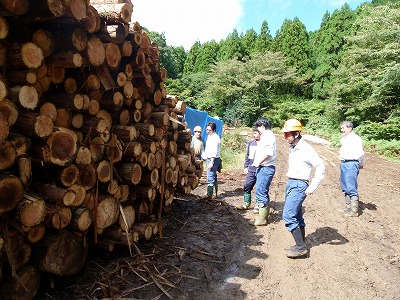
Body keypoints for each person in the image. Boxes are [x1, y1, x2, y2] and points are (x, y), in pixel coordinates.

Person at [282, 119, 325, 258]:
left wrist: (314, 184)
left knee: (288, 215)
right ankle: (301, 244)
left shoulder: (305, 148)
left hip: (299, 185)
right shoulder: (293, 146)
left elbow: (320, 165)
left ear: (297, 133)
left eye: (288, 133)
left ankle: (301, 247)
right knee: (297, 215)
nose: (285, 136)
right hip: (292, 183)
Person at [250, 117, 276, 226]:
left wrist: (258, 162)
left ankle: (262, 219)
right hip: (264, 167)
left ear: (262, 126)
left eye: (258, 127)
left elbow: (268, 152)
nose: (257, 130)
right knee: (262, 190)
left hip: (266, 167)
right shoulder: (266, 136)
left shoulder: (268, 136)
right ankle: (262, 215)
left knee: (261, 191)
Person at [339, 121, 365, 217]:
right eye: (341, 128)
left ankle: (354, 211)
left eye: (343, 128)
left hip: (351, 163)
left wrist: (361, 163)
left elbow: (361, 153)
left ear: (350, 128)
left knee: (351, 186)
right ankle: (348, 206)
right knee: (344, 185)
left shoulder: (355, 139)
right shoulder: (344, 139)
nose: (342, 130)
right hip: (344, 163)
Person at [236, 127, 260, 210]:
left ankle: (258, 205)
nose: (254, 134)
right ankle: (247, 203)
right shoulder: (251, 143)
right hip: (251, 169)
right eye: (253, 133)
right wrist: (246, 166)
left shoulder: (263, 144)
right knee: (247, 185)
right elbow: (247, 155)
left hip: (260, 169)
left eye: (256, 133)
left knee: (259, 188)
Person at [202, 122, 221, 199]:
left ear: (214, 129)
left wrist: (211, 162)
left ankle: (209, 195)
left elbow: (214, 151)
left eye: (209, 130)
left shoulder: (215, 138)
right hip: (209, 158)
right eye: (207, 129)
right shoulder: (210, 136)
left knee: (210, 177)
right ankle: (215, 193)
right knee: (214, 176)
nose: (207, 131)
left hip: (213, 159)